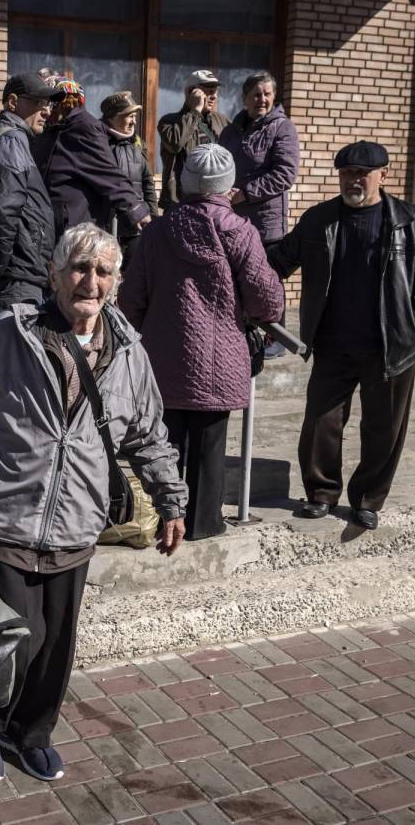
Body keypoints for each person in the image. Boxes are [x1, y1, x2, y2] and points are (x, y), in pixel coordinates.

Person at [0, 222, 188, 785]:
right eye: (78, 267)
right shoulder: (7, 334)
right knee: (12, 637)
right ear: (54, 274)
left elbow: (147, 434)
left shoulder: (129, 354)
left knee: (54, 649)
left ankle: (31, 733)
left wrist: (171, 500)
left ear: (116, 282)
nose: (89, 281)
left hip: (77, 522)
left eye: (102, 271)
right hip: (8, 514)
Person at [267, 141, 415, 530]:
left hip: (391, 347)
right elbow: (278, 261)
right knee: (320, 423)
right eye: (347, 173)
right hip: (333, 343)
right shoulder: (320, 219)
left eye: (362, 174)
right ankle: (321, 494)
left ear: (384, 174)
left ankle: (367, 499)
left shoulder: (412, 221)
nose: (353, 181)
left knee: (384, 428)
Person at [119, 144, 283, 541]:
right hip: (221, 357)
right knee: (210, 447)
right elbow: (266, 299)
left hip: (162, 356)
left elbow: (131, 299)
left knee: (162, 442)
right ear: (227, 184)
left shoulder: (157, 231)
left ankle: (161, 520)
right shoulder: (239, 230)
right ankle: (205, 523)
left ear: (186, 182)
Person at [0, 73, 62, 324]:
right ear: (13, 102)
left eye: (48, 104)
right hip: (14, 281)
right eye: (39, 103)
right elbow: (4, 212)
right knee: (14, 359)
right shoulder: (10, 140)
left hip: (13, 276)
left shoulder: (9, 138)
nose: (47, 111)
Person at [219, 71, 299, 358]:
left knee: (267, 279)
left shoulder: (282, 129)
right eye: (255, 94)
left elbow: (285, 174)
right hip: (233, 220)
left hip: (265, 223)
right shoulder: (230, 131)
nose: (261, 99)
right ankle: (241, 334)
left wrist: (246, 192)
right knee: (235, 277)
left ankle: (275, 338)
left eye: (266, 93)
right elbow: (220, 166)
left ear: (274, 97)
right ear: (244, 98)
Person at [31, 79, 152, 241]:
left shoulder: (83, 127)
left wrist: (136, 210)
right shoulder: (50, 129)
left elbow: (107, 172)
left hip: (73, 227)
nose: (46, 110)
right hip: (47, 224)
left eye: (51, 102)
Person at [157, 69, 229, 211]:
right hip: (180, 202)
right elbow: (175, 144)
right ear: (191, 93)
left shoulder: (222, 121)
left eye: (215, 91)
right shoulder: (169, 121)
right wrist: (194, 111)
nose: (213, 96)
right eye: (208, 91)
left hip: (213, 202)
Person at [100, 91, 156, 268]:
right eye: (129, 116)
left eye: (135, 116)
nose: (134, 121)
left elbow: (147, 184)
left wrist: (152, 218)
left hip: (136, 229)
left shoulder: (135, 146)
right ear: (113, 117)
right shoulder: (98, 145)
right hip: (106, 229)